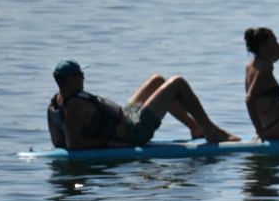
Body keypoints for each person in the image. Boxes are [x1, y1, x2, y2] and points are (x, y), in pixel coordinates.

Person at [47, 59, 241, 150]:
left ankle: (195, 127)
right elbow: (74, 144)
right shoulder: (74, 107)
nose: (83, 76)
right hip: (134, 131)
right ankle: (211, 130)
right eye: (79, 74)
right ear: (68, 79)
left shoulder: (54, 105)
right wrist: (111, 144)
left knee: (157, 80)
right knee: (177, 83)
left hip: (126, 116)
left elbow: (58, 142)